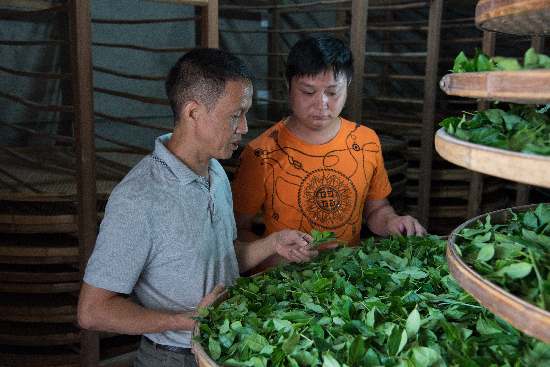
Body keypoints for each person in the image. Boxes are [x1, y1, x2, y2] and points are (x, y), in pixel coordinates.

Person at [77, 48, 320, 367]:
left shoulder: (215, 171)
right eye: (236, 115)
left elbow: (219, 258)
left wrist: (271, 245)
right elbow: (93, 311)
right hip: (174, 357)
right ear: (193, 112)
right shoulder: (139, 197)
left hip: (226, 347)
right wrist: (188, 320)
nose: (244, 128)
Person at [231, 34, 426, 272]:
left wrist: (393, 222)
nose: (321, 104)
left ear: (349, 84)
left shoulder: (366, 142)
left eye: (332, 92)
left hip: (344, 279)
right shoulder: (261, 153)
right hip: (281, 281)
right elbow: (238, 233)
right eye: (308, 92)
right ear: (288, 85)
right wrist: (278, 254)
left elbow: (376, 210)